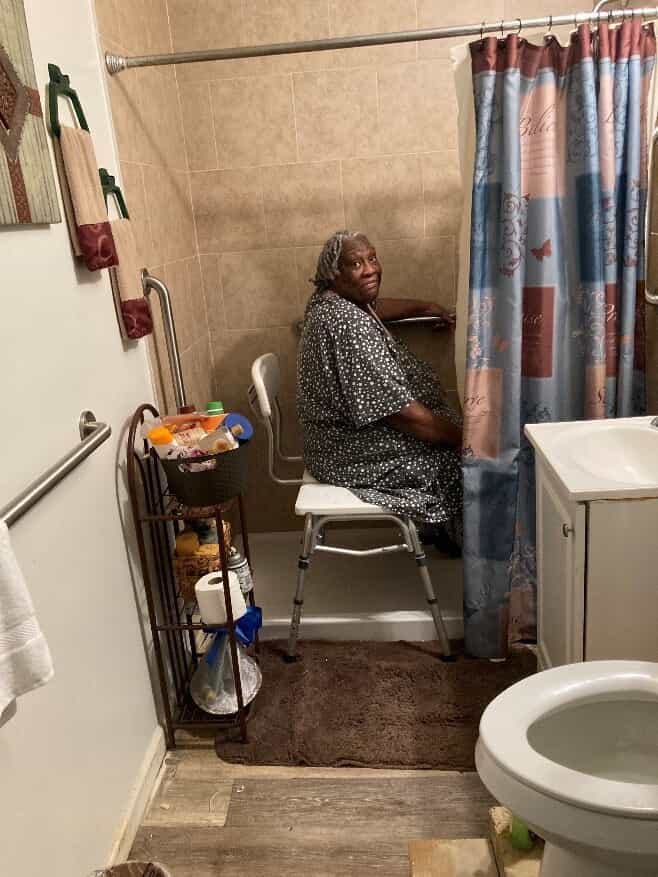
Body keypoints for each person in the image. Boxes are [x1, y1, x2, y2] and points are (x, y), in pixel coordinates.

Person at [297, 230, 463, 549]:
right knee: (454, 459)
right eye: (356, 264)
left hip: (331, 438)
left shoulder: (331, 301)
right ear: (335, 275)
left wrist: (427, 306)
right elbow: (402, 416)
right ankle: (459, 541)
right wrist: (461, 440)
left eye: (372, 258)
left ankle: (442, 530)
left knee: (446, 431)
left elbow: (379, 306)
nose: (370, 269)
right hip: (343, 451)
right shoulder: (347, 326)